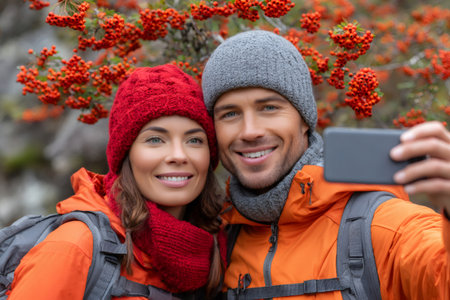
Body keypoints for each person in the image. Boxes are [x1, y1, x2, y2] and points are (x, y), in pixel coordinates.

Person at [201, 30, 450, 299]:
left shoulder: (383, 227)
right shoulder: (218, 242)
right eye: (230, 113)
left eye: (269, 108)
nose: (249, 131)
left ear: (305, 119)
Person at [7, 64, 226, 299]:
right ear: (126, 155)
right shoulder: (75, 247)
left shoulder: (217, 245)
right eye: (155, 139)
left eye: (194, 140)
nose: (178, 155)